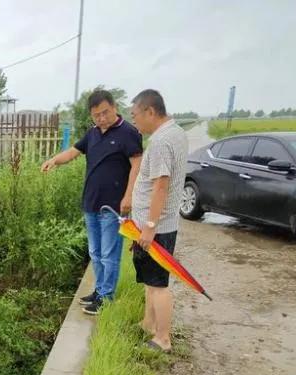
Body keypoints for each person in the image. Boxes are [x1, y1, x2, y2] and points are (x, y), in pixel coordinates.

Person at [42, 89, 143, 315]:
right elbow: (73, 152)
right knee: (95, 252)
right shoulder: (93, 134)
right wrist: (54, 160)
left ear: (114, 108)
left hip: (113, 206)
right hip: (91, 204)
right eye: (96, 115)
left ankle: (106, 297)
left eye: (105, 113)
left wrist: (129, 196)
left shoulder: (129, 133)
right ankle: (98, 291)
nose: (101, 118)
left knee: (109, 254)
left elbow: (137, 164)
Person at [129, 89, 188, 352]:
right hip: (157, 225)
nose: (135, 122)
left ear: (150, 112)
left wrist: (150, 228)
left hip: (157, 228)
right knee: (150, 282)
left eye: (135, 116)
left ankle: (162, 338)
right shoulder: (175, 132)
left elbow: (160, 187)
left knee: (158, 284)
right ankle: (148, 323)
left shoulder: (161, 142)